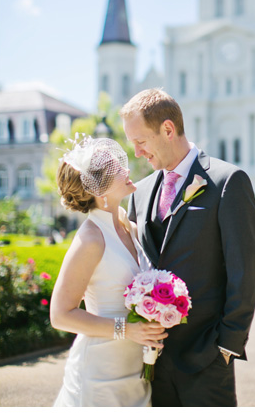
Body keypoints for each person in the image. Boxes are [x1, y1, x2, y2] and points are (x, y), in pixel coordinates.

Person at [121, 88, 255, 407]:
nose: (138, 153)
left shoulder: (227, 181)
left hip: (207, 358)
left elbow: (245, 271)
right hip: (150, 362)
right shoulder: (139, 193)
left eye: (141, 141)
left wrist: (227, 346)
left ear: (168, 129)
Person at [50, 135, 168, 407]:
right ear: (97, 187)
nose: (126, 170)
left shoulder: (130, 227)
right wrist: (125, 330)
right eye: (117, 169)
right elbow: (60, 315)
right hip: (99, 375)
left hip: (137, 373)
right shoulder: (91, 239)